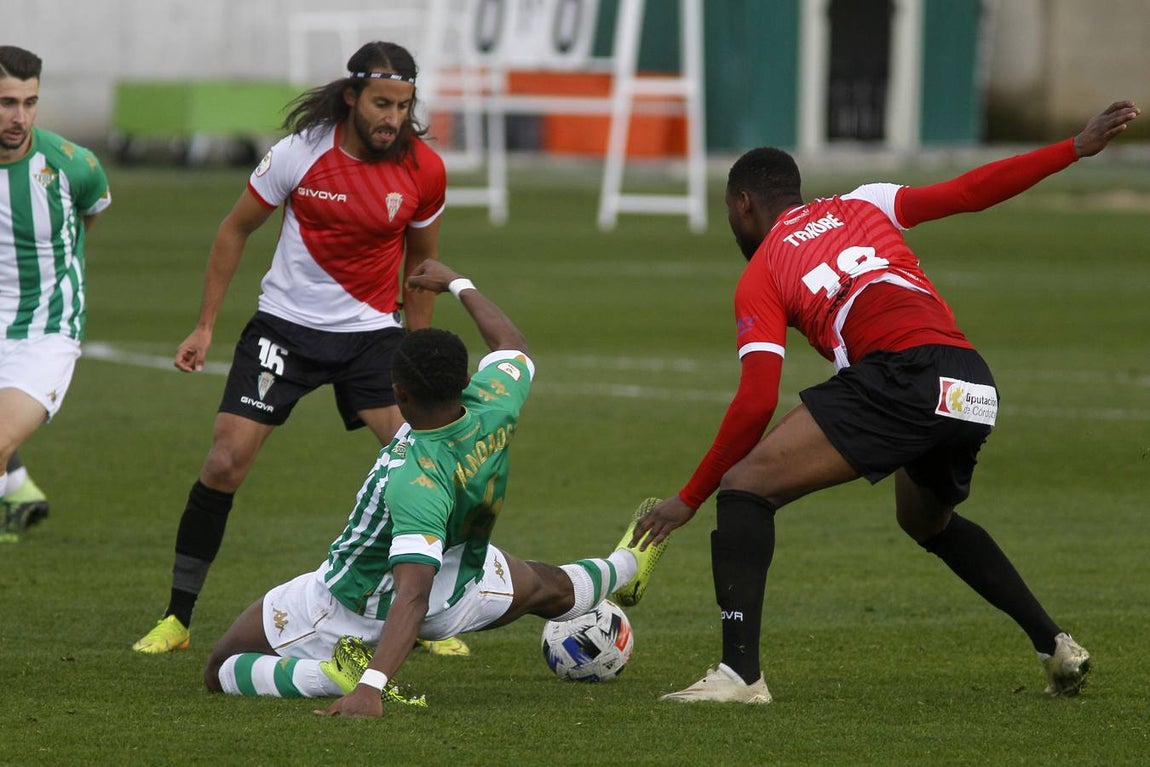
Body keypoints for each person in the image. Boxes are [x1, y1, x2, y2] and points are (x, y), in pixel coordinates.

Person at [631, 100, 1142, 703]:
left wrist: (689, 498)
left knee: (744, 487)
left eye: (729, 211)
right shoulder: (864, 203)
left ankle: (740, 676)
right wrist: (1073, 148)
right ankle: (1054, 646)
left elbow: (756, 400)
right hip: (970, 383)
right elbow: (969, 192)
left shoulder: (763, 269)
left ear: (743, 204)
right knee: (924, 520)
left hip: (903, 375)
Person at [202, 260, 667, 717]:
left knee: (222, 666)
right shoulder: (494, 402)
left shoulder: (415, 477)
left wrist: (371, 687)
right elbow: (511, 343)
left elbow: (411, 596)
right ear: (465, 380)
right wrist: (458, 282)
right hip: (467, 582)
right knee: (547, 586)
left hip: (353, 605)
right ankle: (627, 564)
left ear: (398, 392)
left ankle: (331, 674)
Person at [132, 41, 471, 656]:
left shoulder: (424, 169)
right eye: (381, 103)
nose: (393, 118)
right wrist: (204, 326)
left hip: (372, 336)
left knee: (423, 470)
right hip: (284, 330)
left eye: (403, 105)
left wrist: (416, 351)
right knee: (225, 462)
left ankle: (427, 618)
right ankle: (177, 619)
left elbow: (422, 264)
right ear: (352, 97)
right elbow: (235, 229)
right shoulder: (299, 152)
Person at [0, 46, 111, 543]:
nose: (19, 117)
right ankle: (18, 491)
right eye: (7, 103)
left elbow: (89, 214)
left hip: (44, 331)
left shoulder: (72, 164)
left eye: (29, 103)